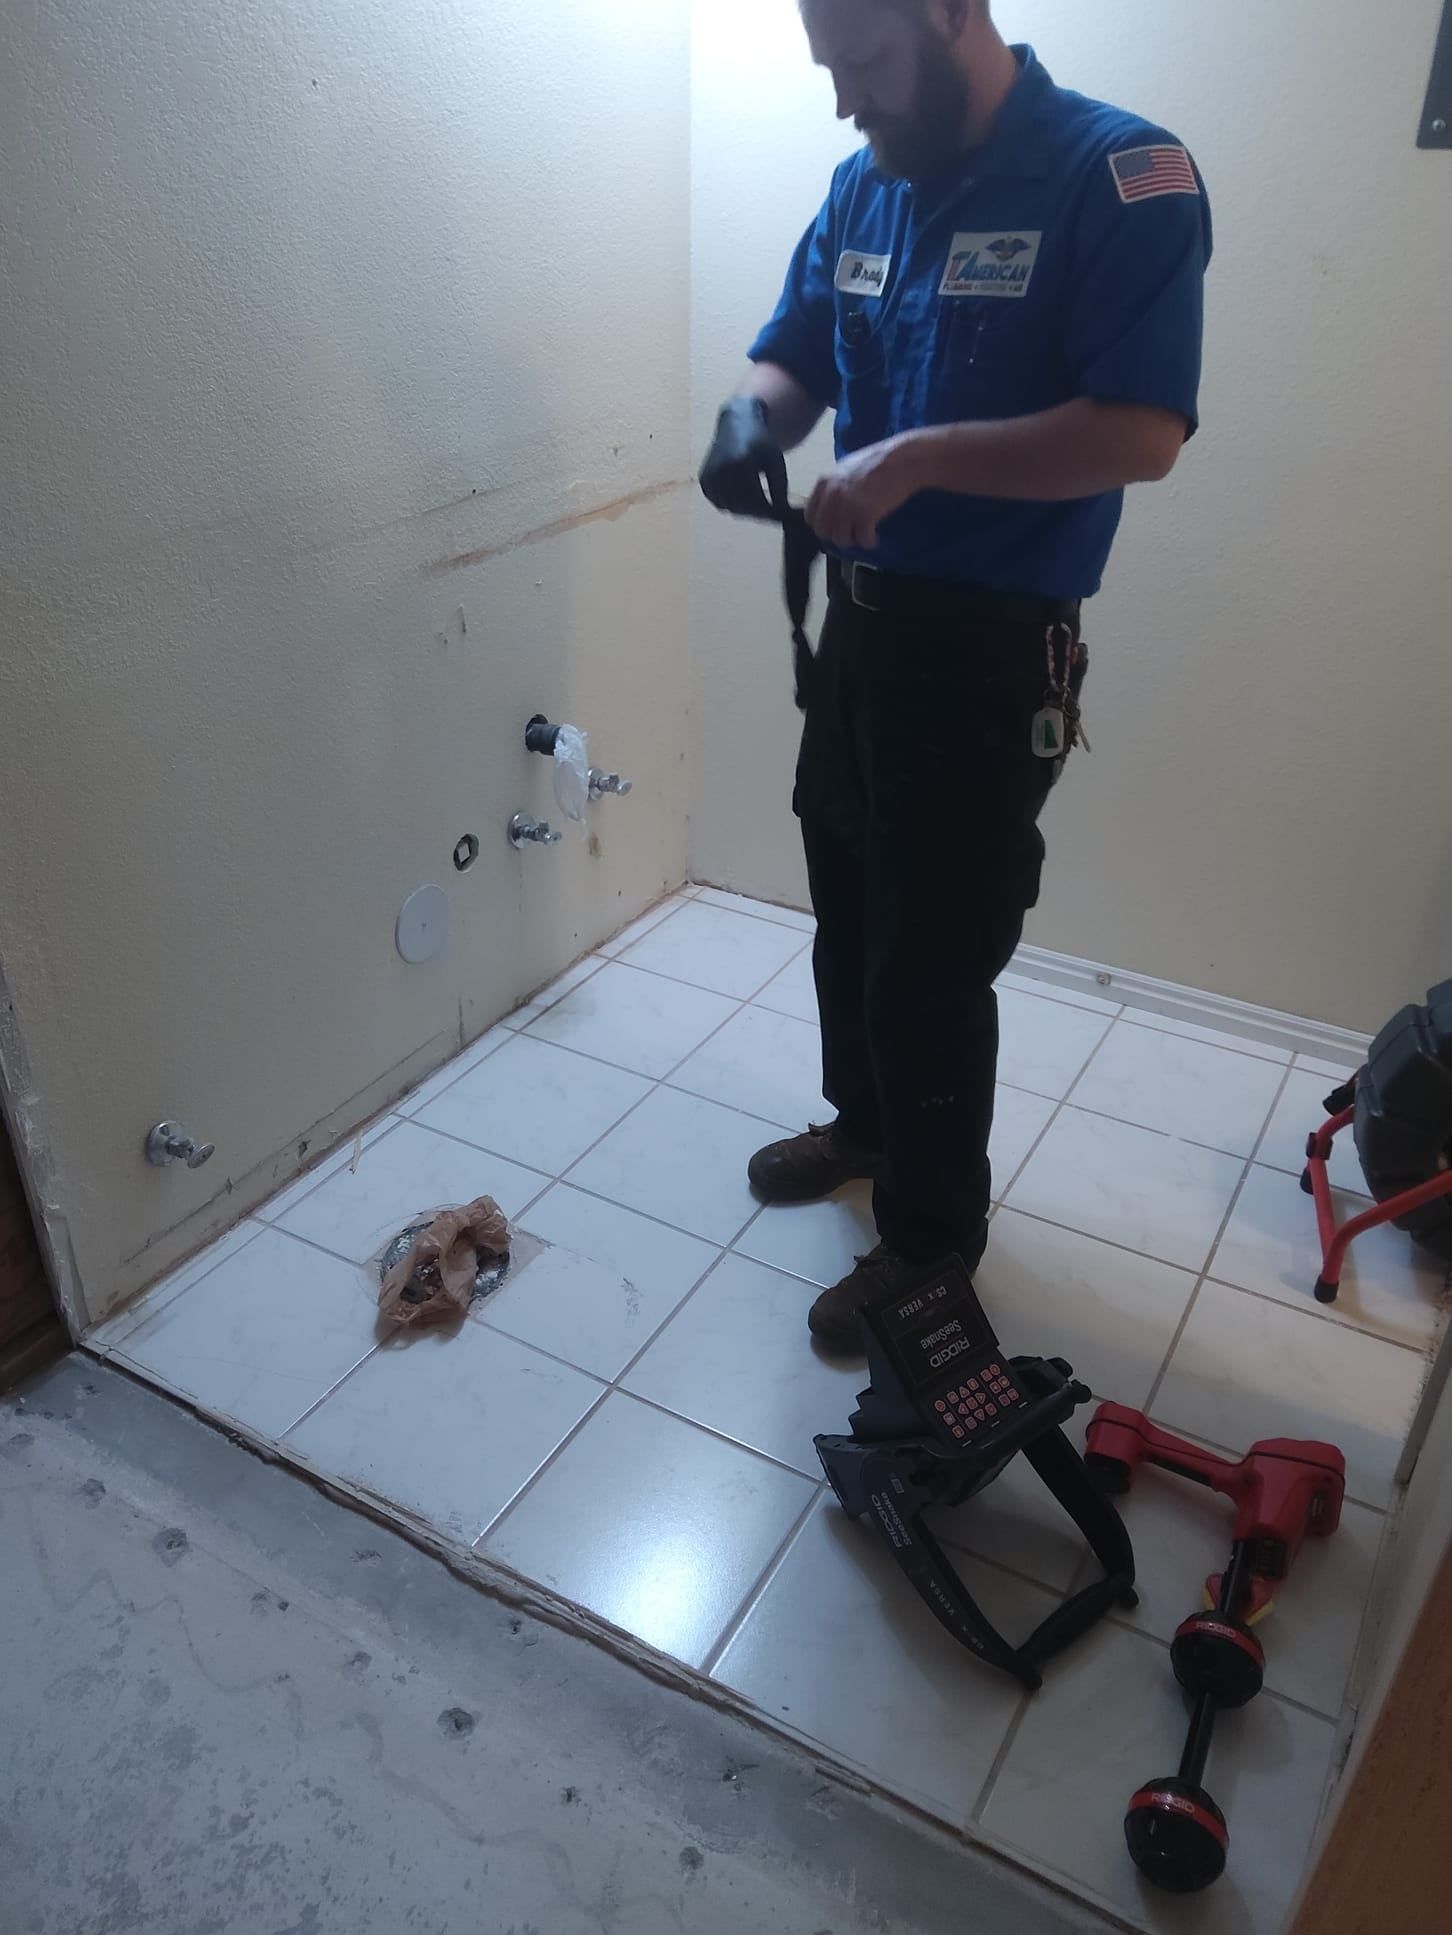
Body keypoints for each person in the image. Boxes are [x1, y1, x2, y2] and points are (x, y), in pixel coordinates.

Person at [700, 0, 1212, 1353]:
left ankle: (931, 1245)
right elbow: (798, 350)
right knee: (849, 898)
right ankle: (865, 1125)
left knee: (932, 956)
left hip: (988, 651)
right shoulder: (865, 184)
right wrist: (749, 413)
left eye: (862, 62)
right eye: (827, 68)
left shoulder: (1120, 174)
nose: (844, 100)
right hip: (863, 630)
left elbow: (1142, 432)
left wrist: (918, 458)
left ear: (947, 11)